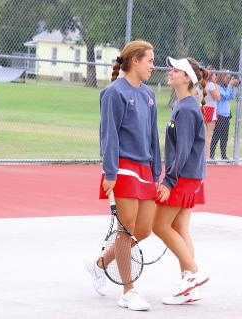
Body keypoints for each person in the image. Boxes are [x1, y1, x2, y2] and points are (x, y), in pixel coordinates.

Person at [85, 40, 161, 312]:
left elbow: (153, 137)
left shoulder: (149, 95)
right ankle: (128, 291)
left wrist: (156, 172)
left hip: (144, 169)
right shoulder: (113, 94)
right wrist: (110, 171)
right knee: (126, 228)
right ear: (134, 61)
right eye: (149, 60)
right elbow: (109, 134)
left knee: (143, 230)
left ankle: (100, 264)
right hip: (123, 168)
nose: (153, 65)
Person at [153, 56, 209, 305]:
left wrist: (168, 180)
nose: (171, 72)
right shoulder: (184, 105)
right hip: (190, 176)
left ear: (187, 78)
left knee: (160, 226)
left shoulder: (186, 109)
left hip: (183, 177)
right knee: (180, 228)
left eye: (176, 70)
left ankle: (193, 274)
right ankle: (190, 286)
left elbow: (184, 150)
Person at [210, 72, 238, 160]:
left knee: (224, 137)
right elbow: (225, 96)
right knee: (216, 135)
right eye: (227, 77)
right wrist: (230, 85)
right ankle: (211, 155)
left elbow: (231, 97)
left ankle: (223, 155)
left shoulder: (227, 87)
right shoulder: (218, 87)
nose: (229, 80)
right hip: (220, 115)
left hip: (226, 115)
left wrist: (233, 86)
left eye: (230, 78)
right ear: (222, 77)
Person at [202, 67, 220, 158]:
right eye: (214, 74)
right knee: (208, 135)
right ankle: (206, 157)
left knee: (203, 133)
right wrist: (215, 84)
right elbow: (218, 97)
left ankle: (202, 156)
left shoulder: (201, 84)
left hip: (202, 108)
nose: (215, 76)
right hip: (210, 109)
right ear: (211, 75)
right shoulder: (211, 85)